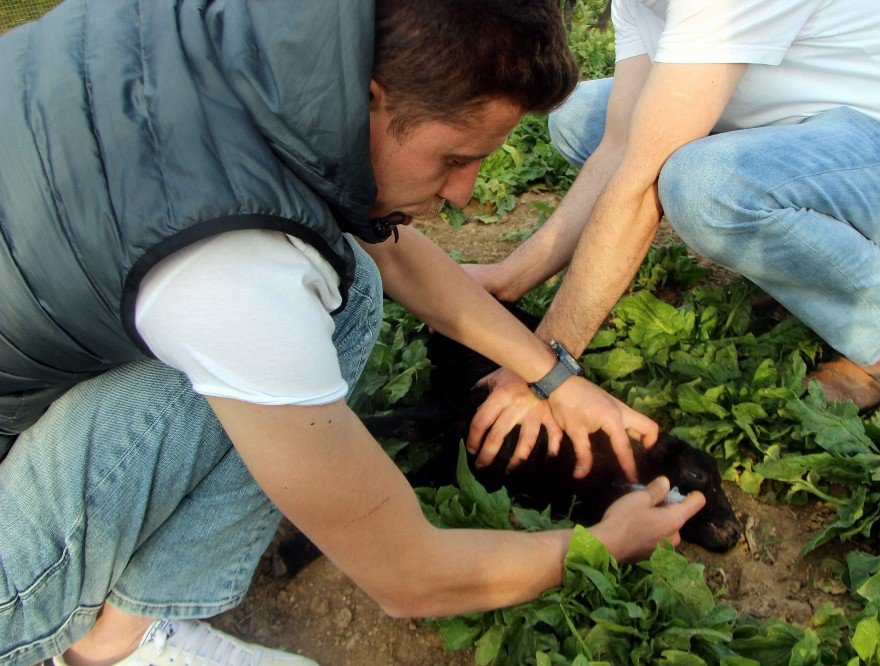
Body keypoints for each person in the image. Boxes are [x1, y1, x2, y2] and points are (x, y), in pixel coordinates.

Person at [0, 1, 708, 664]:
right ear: (372, 97)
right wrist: (601, 544)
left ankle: (122, 620)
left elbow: (389, 250)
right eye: (454, 159)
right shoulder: (231, 271)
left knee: (348, 280)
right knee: (310, 310)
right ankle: (108, 643)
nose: (464, 193)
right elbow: (407, 577)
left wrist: (552, 374)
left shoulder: (252, 39)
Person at [465, 0, 880, 455]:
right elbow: (620, 143)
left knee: (701, 185)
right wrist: (512, 277)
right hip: (814, 124)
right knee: (580, 116)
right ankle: (796, 241)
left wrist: (546, 366)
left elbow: (640, 177)